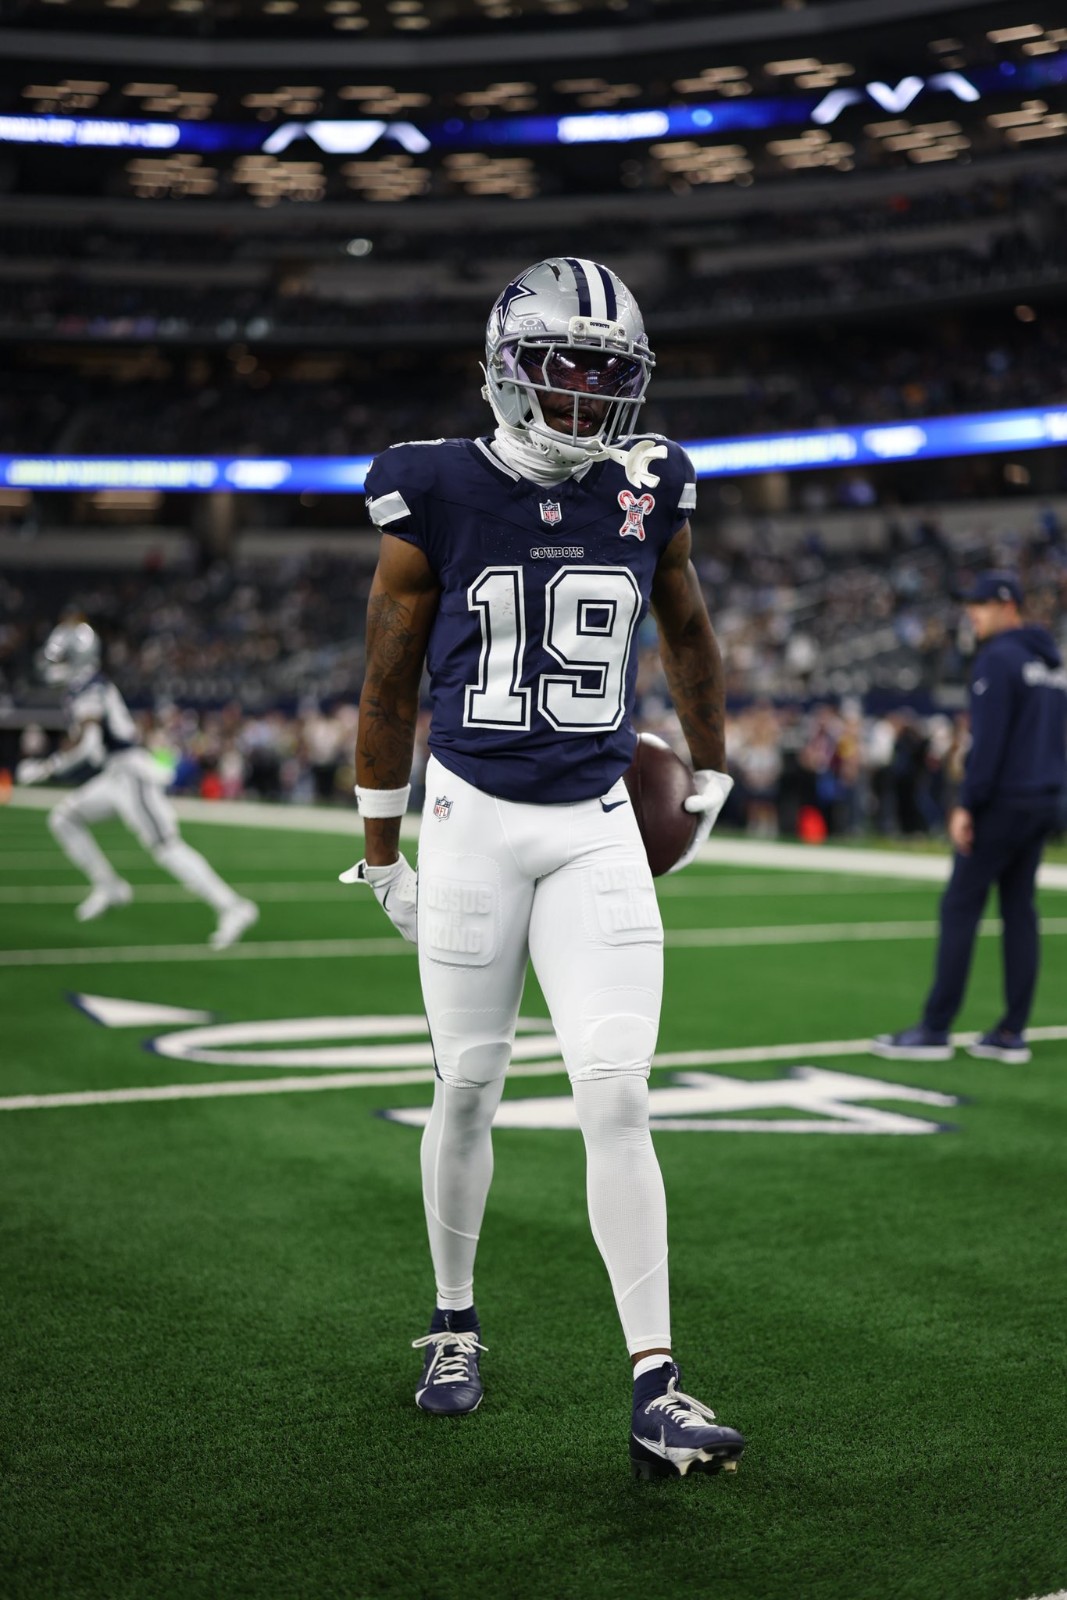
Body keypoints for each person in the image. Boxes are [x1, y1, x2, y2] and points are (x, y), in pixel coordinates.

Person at [344, 257, 744, 1480]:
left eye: (608, 372)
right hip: (470, 814)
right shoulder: (432, 485)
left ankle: (655, 1386)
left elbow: (685, 626)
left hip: (595, 819)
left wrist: (712, 764)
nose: (587, 394)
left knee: (615, 1094)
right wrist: (380, 851)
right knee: (467, 1085)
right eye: (564, 366)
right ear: (506, 365)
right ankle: (451, 1321)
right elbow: (387, 682)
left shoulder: (651, 479)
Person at [872, 572, 1067, 1066]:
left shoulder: (998, 658)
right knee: (1019, 910)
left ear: (1007, 606)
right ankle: (1011, 1032)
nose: (971, 614)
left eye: (980, 605)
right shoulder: (1050, 663)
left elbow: (989, 741)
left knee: (960, 906)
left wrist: (967, 804)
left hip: (1002, 801)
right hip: (1043, 799)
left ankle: (935, 1029)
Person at [16, 619, 259, 950]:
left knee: (167, 847)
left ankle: (234, 907)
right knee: (63, 818)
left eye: (61, 658)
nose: (55, 665)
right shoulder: (82, 689)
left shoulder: (91, 688)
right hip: (114, 776)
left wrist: (47, 767)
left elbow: (87, 745)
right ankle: (109, 886)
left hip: (131, 775)